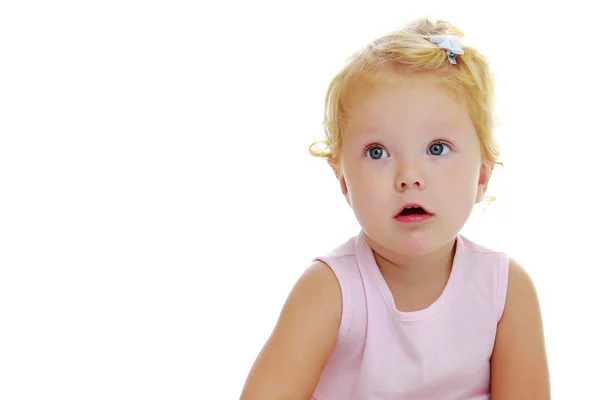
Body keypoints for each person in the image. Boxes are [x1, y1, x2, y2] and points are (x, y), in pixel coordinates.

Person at [240, 17, 550, 400]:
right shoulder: (329, 292)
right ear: (342, 180)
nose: (408, 177)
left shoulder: (505, 290)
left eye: (437, 148)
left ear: (483, 173)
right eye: (377, 152)